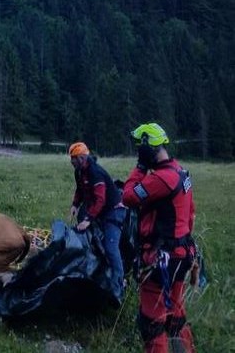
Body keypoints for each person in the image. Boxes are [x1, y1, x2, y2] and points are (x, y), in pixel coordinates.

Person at [122, 123, 196, 353]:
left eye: (139, 148)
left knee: (152, 322)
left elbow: (128, 197)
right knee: (175, 313)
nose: (137, 152)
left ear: (148, 148)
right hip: (182, 252)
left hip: (161, 260)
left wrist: (140, 167)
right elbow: (190, 213)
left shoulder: (160, 179)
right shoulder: (180, 172)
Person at [68, 141, 127, 303]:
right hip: (98, 208)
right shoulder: (79, 171)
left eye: (73, 159)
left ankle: (119, 283)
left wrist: (88, 219)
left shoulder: (95, 172)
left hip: (113, 211)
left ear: (81, 158)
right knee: (86, 235)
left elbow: (100, 200)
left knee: (110, 247)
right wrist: (75, 205)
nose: (71, 162)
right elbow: (80, 190)